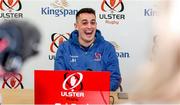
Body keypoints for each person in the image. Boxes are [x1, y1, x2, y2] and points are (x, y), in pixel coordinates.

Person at [54, 8, 121, 91]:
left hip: (99, 99)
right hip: (72, 99)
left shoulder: (108, 48)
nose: (89, 27)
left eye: (92, 22)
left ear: (96, 25)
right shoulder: (64, 48)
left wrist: (95, 92)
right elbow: (59, 78)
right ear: (76, 26)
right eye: (84, 23)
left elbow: (114, 79)